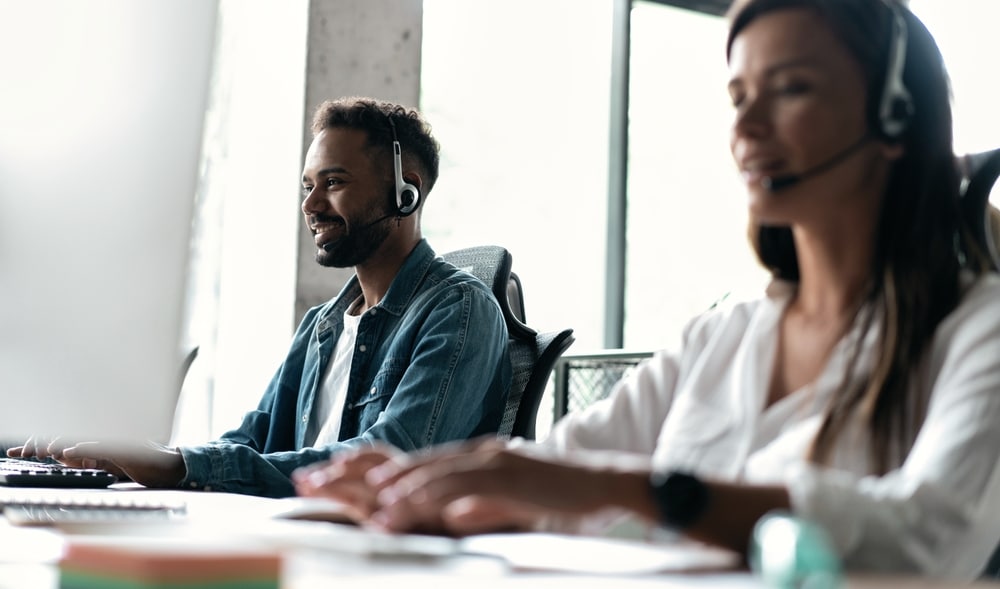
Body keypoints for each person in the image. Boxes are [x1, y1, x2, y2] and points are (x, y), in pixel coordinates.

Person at [293, 0, 1000, 580]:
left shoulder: (978, 327)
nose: (746, 129)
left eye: (791, 89)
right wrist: (433, 484)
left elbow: (926, 533)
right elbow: (565, 467)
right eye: (738, 96)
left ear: (897, 114)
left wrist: (638, 490)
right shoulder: (724, 335)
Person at [7, 97, 512, 498]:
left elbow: (390, 460)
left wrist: (179, 466)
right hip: (294, 536)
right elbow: (251, 440)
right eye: (307, 186)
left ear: (408, 191)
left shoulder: (458, 309)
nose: (311, 205)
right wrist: (119, 455)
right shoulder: (324, 324)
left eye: (333, 183)